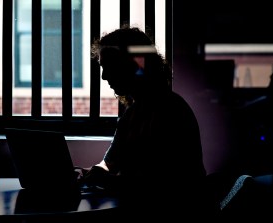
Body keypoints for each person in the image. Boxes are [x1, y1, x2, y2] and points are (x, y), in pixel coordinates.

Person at [78, 25, 211, 220]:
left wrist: (106, 180)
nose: (104, 76)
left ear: (133, 65)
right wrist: (87, 173)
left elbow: (160, 187)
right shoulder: (132, 114)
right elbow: (109, 164)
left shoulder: (171, 112)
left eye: (109, 66)